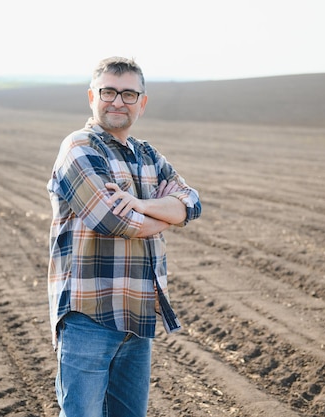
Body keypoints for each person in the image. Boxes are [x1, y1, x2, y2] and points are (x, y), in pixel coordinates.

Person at [46, 56, 202, 417]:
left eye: (129, 94)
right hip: (89, 317)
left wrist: (138, 204)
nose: (118, 101)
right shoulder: (80, 148)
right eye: (109, 92)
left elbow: (191, 202)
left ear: (142, 103)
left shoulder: (148, 155)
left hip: (137, 317)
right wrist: (164, 215)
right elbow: (112, 220)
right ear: (92, 97)